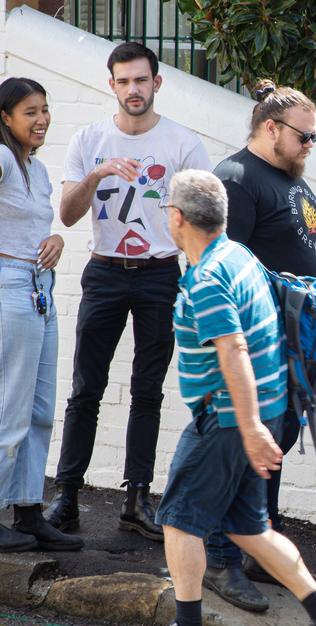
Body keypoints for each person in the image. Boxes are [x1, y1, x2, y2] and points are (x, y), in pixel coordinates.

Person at [122, 170, 316, 626]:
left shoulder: (208, 278)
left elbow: (234, 351)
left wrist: (248, 427)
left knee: (179, 519)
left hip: (227, 419)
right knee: (248, 527)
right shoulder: (241, 257)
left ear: (177, 218)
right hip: (264, 413)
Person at [45, 42, 213, 542]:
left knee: (147, 390)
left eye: (141, 80)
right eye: (124, 81)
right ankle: (68, 496)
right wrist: (98, 172)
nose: (133, 89)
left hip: (160, 274)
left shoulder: (183, 144)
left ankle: (136, 499)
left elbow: (202, 224)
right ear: (111, 84)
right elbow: (69, 214)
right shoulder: (89, 138)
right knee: (85, 389)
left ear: (156, 83)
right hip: (105, 271)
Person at [204, 80, 316, 613]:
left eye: (315, 135)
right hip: (257, 349)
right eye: (305, 135)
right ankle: (220, 562)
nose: (310, 145)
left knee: (268, 459)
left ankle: (259, 550)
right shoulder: (236, 179)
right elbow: (220, 269)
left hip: (293, 354)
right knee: (239, 456)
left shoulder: (288, 178)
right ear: (271, 127)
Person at [0, 78, 78, 553]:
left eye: (45, 110)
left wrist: (58, 241)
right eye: (30, 112)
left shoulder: (40, 169)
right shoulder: (3, 158)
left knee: (40, 409)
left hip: (40, 291)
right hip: (10, 289)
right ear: (5, 118)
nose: (42, 119)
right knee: (10, 408)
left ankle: (28, 510)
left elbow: (40, 229)